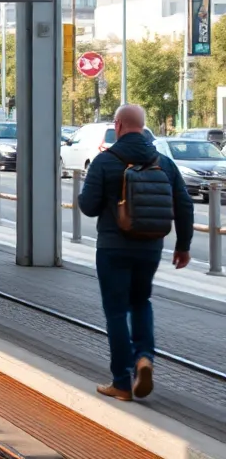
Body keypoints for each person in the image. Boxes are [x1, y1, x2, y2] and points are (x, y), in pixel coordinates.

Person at [78, 104, 194, 402]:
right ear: (142, 127)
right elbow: (184, 205)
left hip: (113, 247)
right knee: (141, 302)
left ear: (117, 126)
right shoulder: (163, 162)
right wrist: (183, 246)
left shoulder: (105, 161)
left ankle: (121, 382)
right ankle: (144, 357)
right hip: (150, 246)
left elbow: (89, 207)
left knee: (116, 312)